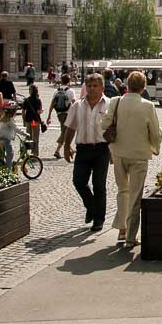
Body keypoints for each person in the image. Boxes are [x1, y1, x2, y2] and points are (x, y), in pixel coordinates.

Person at [101, 71, 162, 249]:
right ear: (143, 87)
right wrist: (155, 147)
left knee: (122, 191)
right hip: (139, 154)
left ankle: (122, 228)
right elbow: (155, 132)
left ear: (127, 85)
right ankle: (130, 236)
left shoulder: (115, 101)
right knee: (135, 195)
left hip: (119, 152)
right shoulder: (148, 106)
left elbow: (104, 124)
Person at [64, 73, 110, 232]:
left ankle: (99, 219)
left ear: (102, 88)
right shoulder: (77, 105)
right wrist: (66, 146)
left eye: (95, 85)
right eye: (89, 86)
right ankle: (91, 206)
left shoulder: (109, 105)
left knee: (99, 185)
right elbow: (70, 127)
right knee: (78, 181)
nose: (91, 88)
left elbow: (115, 129)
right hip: (82, 149)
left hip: (101, 149)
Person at [48, 74, 76, 159]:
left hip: (59, 114)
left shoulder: (56, 91)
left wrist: (49, 116)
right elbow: (74, 103)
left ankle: (69, 149)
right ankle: (58, 150)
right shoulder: (70, 91)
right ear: (69, 81)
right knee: (65, 132)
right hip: (68, 113)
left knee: (64, 131)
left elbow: (52, 103)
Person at [0, 102, 23, 170]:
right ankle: (8, 170)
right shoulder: (10, 120)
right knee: (10, 154)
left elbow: (6, 129)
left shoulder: (2, 118)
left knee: (1, 154)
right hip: (5, 140)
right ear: (12, 112)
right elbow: (16, 129)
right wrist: (25, 134)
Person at [21, 84, 43, 156]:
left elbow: (23, 112)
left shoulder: (26, 100)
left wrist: (24, 120)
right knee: (35, 137)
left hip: (28, 120)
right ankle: (35, 153)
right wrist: (40, 111)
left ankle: (25, 152)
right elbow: (39, 111)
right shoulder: (38, 100)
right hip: (35, 121)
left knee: (28, 136)